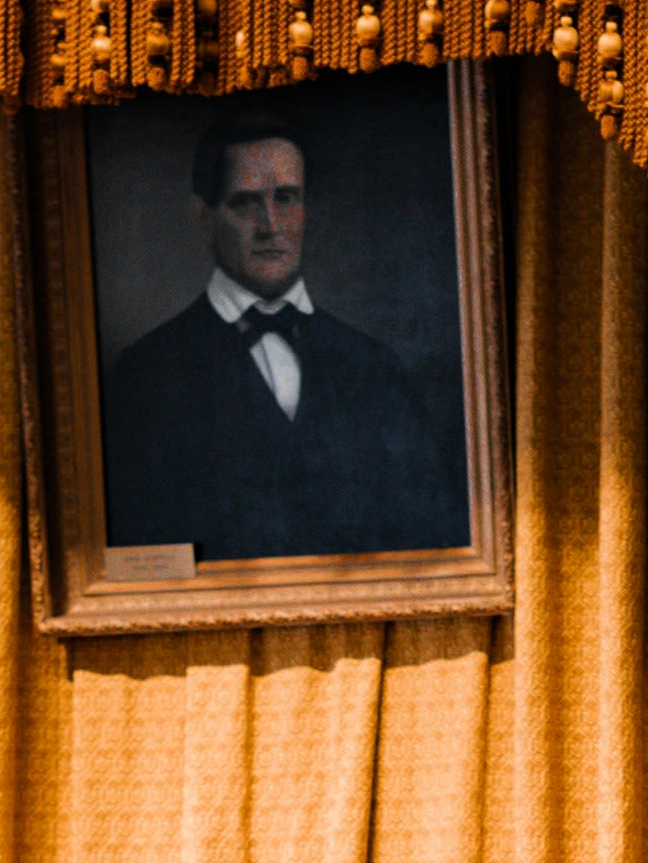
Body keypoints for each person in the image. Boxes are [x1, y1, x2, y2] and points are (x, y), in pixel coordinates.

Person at [97, 113, 469, 560]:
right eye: (245, 203)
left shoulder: (375, 367)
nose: (271, 225)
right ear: (203, 217)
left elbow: (429, 544)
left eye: (287, 198)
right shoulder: (147, 375)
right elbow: (139, 560)